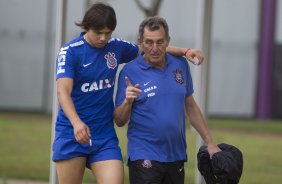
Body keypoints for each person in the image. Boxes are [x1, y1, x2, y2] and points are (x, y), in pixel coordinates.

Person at [52, 2, 204, 184]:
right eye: (98, 33)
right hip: (73, 132)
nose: (103, 38)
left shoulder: (115, 47)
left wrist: (185, 51)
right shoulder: (70, 52)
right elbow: (63, 92)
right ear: (86, 28)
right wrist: (76, 123)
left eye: (107, 33)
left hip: (103, 135)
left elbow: (149, 48)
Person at [114, 16, 221, 184]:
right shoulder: (129, 72)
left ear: (168, 41)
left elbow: (191, 106)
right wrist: (128, 102)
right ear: (140, 42)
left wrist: (210, 143)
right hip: (143, 156)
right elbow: (119, 120)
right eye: (149, 42)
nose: (155, 48)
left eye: (160, 42)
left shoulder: (180, 65)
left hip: (176, 155)